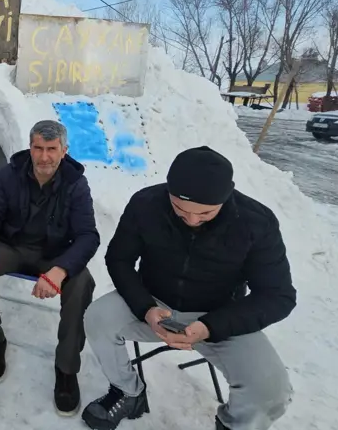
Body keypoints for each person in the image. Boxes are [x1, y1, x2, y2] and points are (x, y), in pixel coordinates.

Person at [80, 146, 295, 430]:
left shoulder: (256, 222)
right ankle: (128, 392)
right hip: (154, 303)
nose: (192, 220)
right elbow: (119, 259)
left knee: (271, 391)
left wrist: (210, 326)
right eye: (180, 210)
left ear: (226, 196)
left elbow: (278, 296)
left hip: (219, 318)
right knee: (97, 318)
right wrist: (145, 308)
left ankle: (233, 424)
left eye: (205, 213)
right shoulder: (146, 204)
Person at [0, 119, 100, 417]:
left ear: (64, 151)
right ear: (30, 146)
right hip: (13, 247)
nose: (44, 157)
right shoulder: (9, 174)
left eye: (51, 149)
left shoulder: (76, 183)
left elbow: (88, 235)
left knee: (82, 282)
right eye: (38, 148)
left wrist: (60, 270)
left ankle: (66, 368)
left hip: (55, 254)